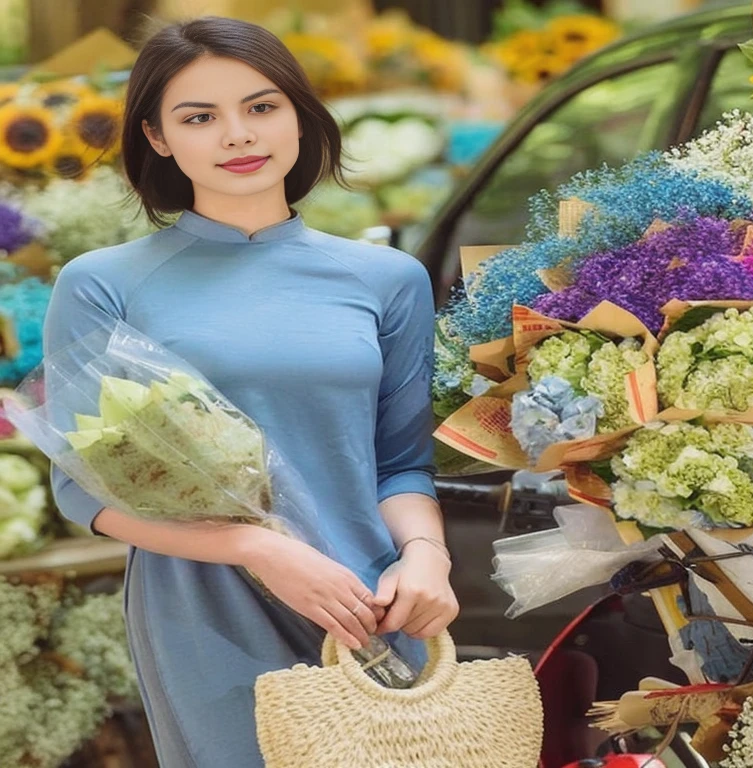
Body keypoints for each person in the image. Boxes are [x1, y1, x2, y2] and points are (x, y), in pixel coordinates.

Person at [44, 15, 459, 768]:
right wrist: (253, 548)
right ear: (159, 138)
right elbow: (81, 493)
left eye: (261, 107)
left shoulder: (387, 280)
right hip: (204, 611)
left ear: (299, 116)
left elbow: (399, 463)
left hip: (364, 601)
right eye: (200, 117)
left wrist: (427, 558)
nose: (238, 134)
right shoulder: (102, 283)